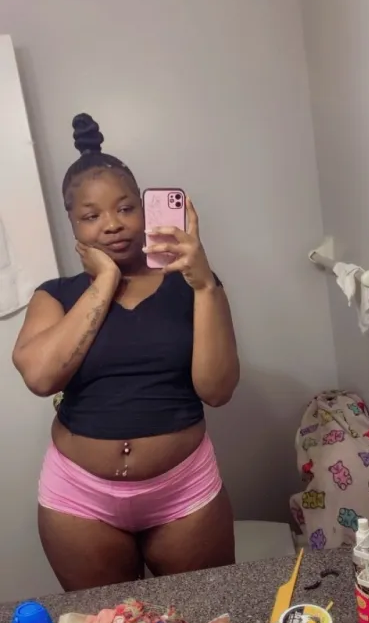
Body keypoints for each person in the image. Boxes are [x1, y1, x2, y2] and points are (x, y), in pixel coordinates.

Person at [13, 113, 240, 591]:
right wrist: (106, 280)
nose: (113, 225)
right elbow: (40, 377)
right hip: (79, 499)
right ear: (73, 224)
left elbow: (217, 390)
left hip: (183, 492)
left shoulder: (192, 284)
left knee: (206, 616)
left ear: (144, 210)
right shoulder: (55, 295)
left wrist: (204, 285)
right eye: (91, 216)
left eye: (125, 208)